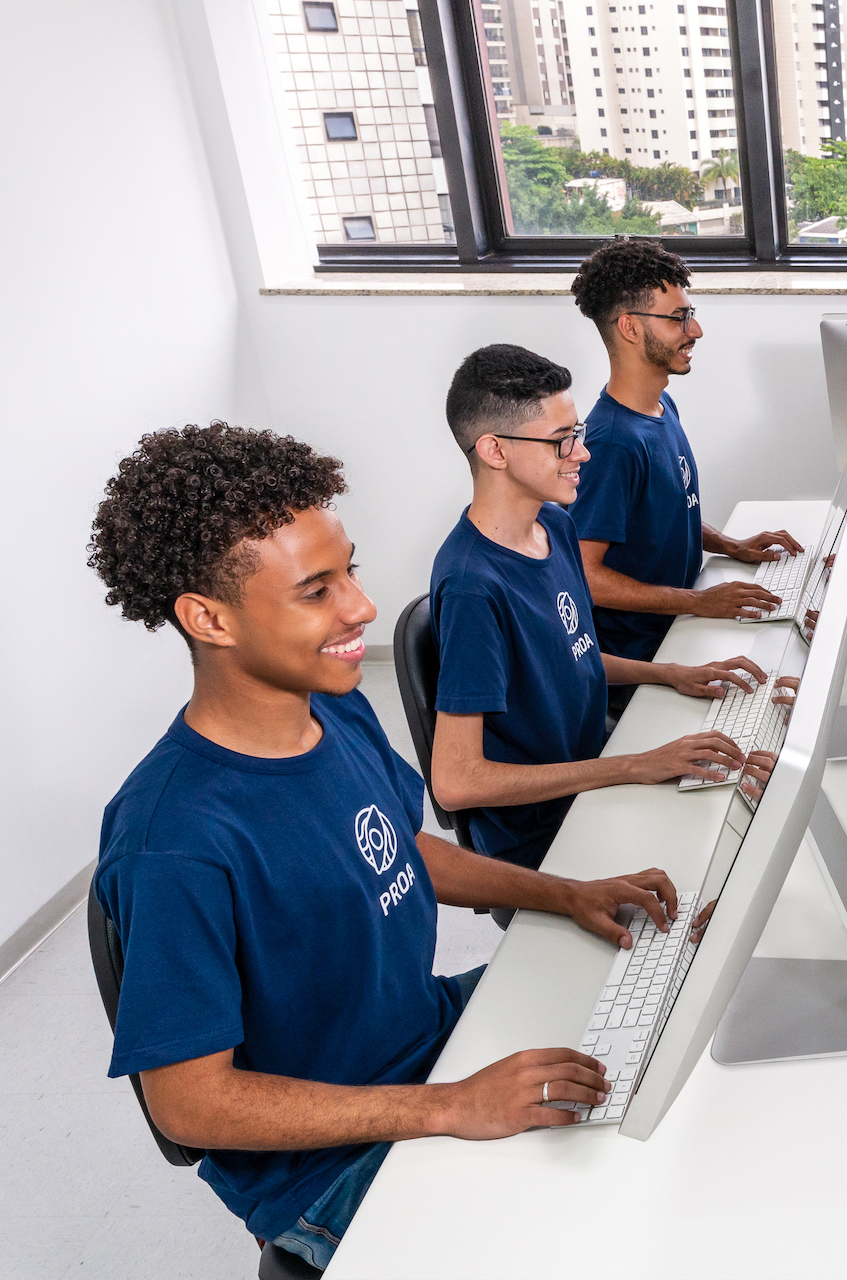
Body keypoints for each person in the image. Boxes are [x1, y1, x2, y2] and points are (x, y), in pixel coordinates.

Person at [88, 424, 695, 1271]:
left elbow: (401, 853)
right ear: (208, 618)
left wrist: (563, 892)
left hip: (427, 1040)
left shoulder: (331, 708)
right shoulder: (175, 840)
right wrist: (448, 1107)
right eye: (316, 591)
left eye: (352, 571)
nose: (362, 609)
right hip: (329, 1167)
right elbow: (191, 1104)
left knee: (668, 998)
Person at [431, 344, 781, 871]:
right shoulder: (471, 588)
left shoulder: (555, 526)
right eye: (561, 442)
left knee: (753, 786)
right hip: (546, 828)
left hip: (596, 768)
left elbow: (574, 656)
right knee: (728, 855)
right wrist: (633, 765)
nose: (582, 454)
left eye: (578, 436)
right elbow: (457, 782)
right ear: (495, 451)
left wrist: (674, 672)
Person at [569, 239, 802, 675]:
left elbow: (663, 516)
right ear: (631, 328)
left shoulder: (660, 407)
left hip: (682, 622)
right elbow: (587, 575)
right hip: (647, 655)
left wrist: (731, 545)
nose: (695, 331)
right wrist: (699, 601)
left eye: (690, 315)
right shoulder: (612, 443)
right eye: (679, 319)